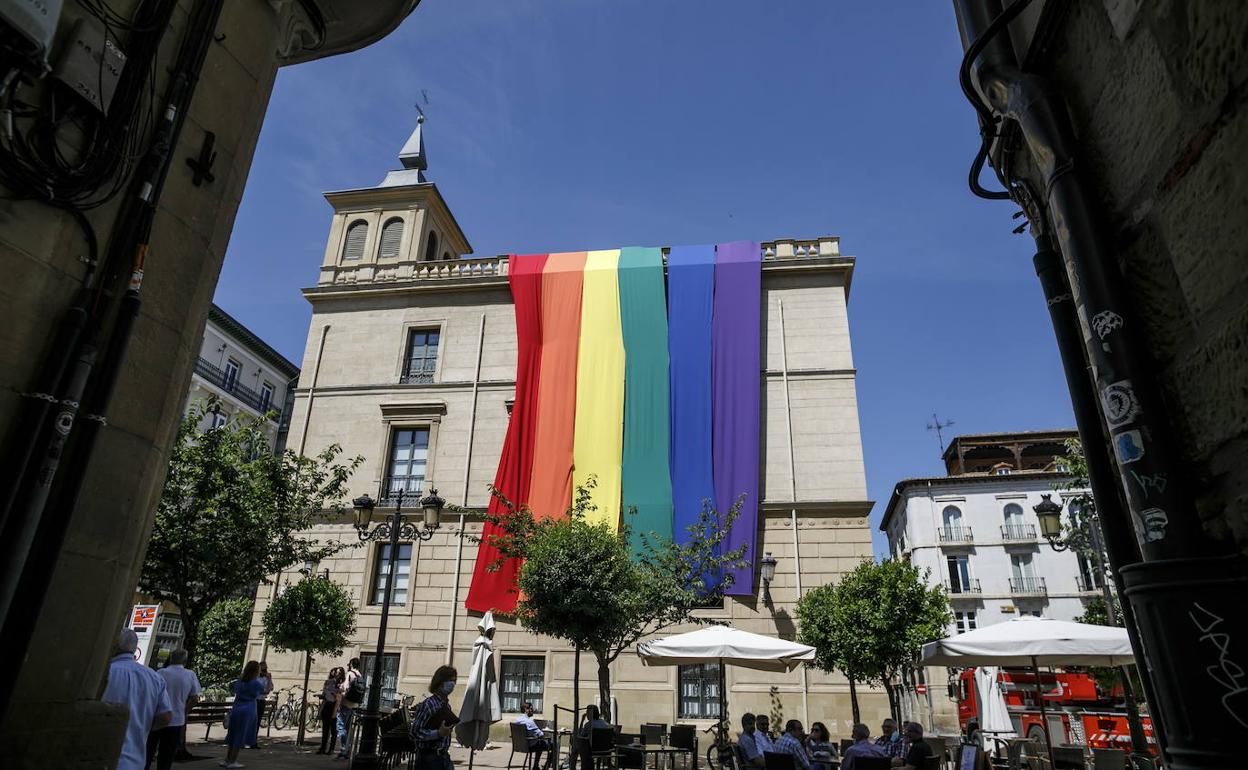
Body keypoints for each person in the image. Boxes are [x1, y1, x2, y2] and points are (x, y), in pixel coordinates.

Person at [102, 629, 173, 770]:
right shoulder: (154, 678)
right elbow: (166, 717)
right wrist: (142, 726)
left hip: (99, 757)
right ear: (135, 648)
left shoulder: (104, 673)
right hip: (134, 761)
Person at [148, 649, 201, 770]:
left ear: (171, 659)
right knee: (167, 753)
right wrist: (185, 710)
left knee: (149, 748)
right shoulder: (190, 675)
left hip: (157, 717)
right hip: (177, 718)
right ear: (185, 661)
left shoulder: (160, 673)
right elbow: (194, 698)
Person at [409, 665, 460, 770]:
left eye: (454, 681)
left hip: (444, 756)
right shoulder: (428, 704)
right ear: (440, 682)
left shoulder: (446, 706)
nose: (453, 684)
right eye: (450, 680)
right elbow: (414, 732)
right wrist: (437, 733)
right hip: (428, 758)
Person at [223, 661, 265, 769]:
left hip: (236, 708)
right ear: (256, 671)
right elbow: (265, 690)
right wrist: (269, 678)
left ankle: (227, 759)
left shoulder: (239, 681)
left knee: (232, 734)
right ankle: (233, 760)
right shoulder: (255, 683)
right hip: (248, 710)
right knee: (240, 735)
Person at [337, 657, 365, 760]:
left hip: (346, 703)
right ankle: (348, 749)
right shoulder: (360, 675)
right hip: (355, 705)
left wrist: (340, 687)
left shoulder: (349, 674)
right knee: (349, 728)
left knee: (340, 726)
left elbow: (345, 688)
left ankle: (344, 749)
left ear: (351, 664)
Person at [514, 701, 552, 770]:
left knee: (540, 743)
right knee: (553, 745)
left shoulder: (516, 720)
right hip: (530, 746)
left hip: (519, 745)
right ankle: (547, 766)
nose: (533, 711)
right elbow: (541, 734)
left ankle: (536, 766)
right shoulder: (530, 722)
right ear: (526, 710)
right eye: (531, 709)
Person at [318, 667, 345, 755]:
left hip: (335, 706)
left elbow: (339, 699)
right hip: (327, 705)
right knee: (325, 729)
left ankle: (331, 749)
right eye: (336, 672)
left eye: (339, 673)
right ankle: (323, 747)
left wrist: (335, 711)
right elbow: (325, 695)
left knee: (333, 730)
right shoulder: (329, 682)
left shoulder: (341, 684)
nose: (337, 674)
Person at [248, 662, 273, 749]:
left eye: (265, 669)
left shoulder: (265, 678)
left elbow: (270, 688)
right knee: (251, 722)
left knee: (257, 722)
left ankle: (253, 741)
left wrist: (269, 679)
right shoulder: (254, 679)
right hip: (254, 701)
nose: (264, 671)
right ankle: (246, 740)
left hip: (261, 701)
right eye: (262, 669)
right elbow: (264, 691)